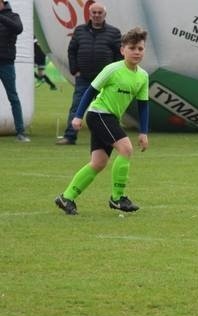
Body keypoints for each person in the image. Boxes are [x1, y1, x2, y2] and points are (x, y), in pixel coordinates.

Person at [54, 27, 149, 216]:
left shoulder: (143, 76)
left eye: (140, 48)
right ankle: (117, 198)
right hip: (98, 115)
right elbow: (90, 90)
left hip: (110, 118)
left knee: (98, 163)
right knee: (126, 149)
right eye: (132, 48)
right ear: (123, 50)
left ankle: (66, 197)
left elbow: (144, 105)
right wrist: (78, 116)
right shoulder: (112, 69)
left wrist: (143, 132)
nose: (137, 52)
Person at [56, 2, 121, 145]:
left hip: (105, 80)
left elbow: (119, 54)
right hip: (84, 78)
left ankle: (111, 137)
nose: (97, 15)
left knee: (107, 110)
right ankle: (70, 136)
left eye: (100, 13)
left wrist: (115, 74)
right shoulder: (79, 31)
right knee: (77, 107)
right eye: (94, 13)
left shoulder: (114, 32)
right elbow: (71, 50)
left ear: (105, 15)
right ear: (89, 14)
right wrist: (75, 70)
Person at [0, 0, 29, 142]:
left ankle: (21, 132)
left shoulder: (13, 16)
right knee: (13, 97)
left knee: (13, 97)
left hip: (6, 62)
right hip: (6, 62)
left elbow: (18, 28)